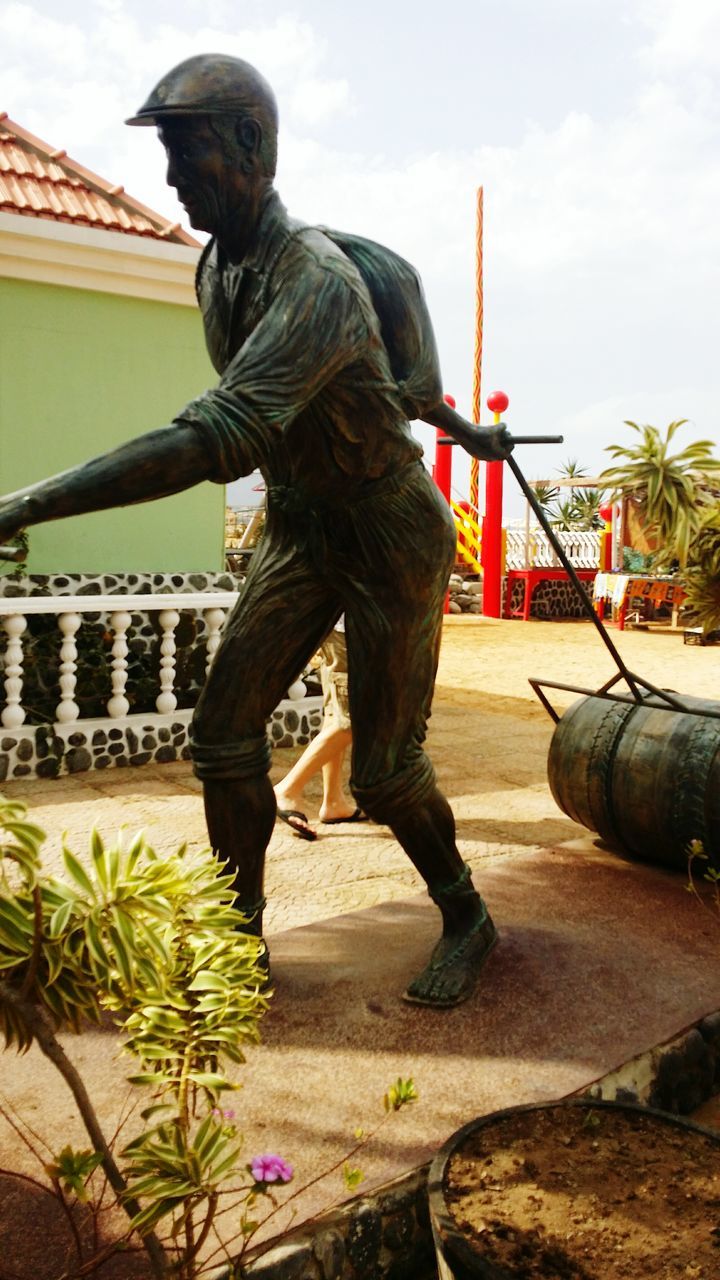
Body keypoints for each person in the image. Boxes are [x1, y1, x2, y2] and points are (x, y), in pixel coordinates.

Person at [0, 54, 513, 1007]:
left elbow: (216, 439)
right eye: (166, 152)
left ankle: (466, 914)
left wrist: (29, 504)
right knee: (224, 734)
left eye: (186, 151)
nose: (171, 177)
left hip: (389, 528)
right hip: (300, 526)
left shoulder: (315, 279)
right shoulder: (213, 268)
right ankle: (241, 940)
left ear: (250, 145)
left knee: (387, 767)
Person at [274, 617, 366, 840]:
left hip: (340, 628)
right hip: (351, 630)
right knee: (354, 719)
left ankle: (334, 801)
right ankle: (287, 789)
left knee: (336, 715)